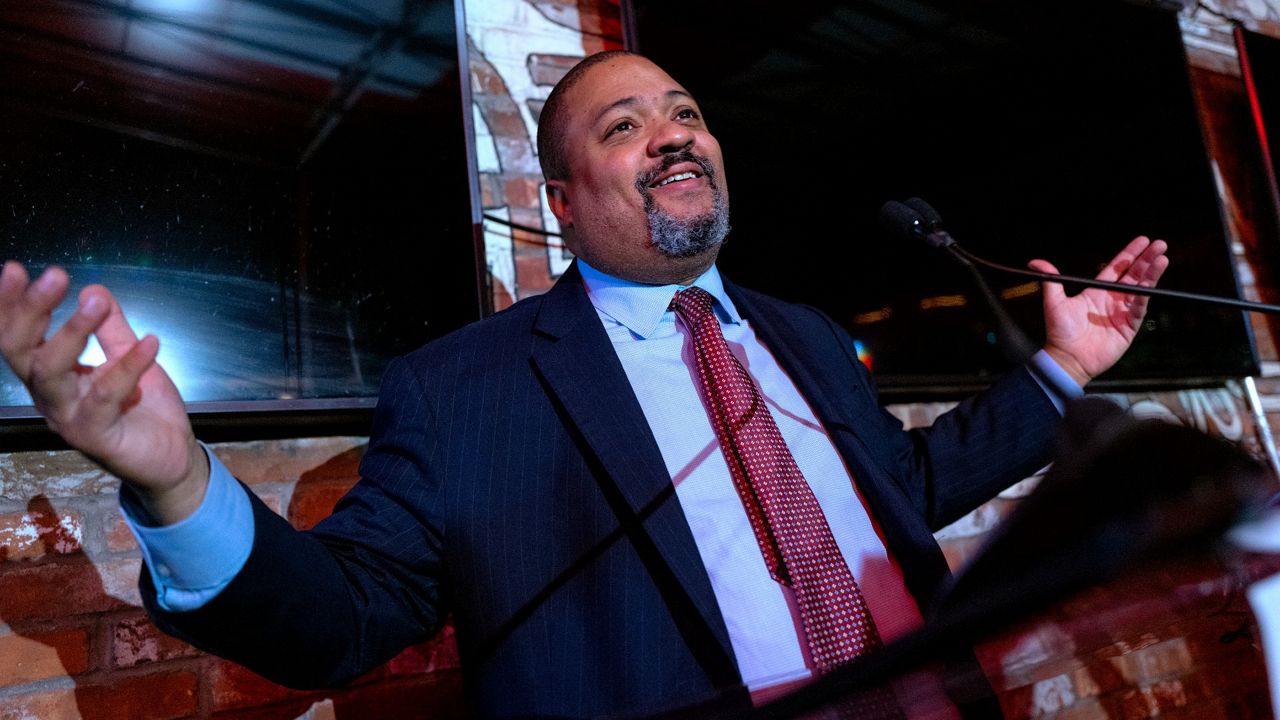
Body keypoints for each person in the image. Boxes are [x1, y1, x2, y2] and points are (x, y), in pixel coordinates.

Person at [0, 51, 1168, 717]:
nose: (673, 135)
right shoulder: (464, 390)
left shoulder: (805, 336)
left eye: (686, 114)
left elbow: (897, 488)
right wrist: (177, 485)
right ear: (561, 201)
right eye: (624, 124)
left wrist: (1064, 364)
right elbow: (346, 624)